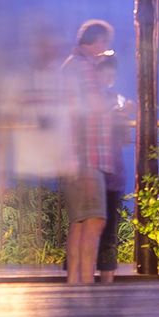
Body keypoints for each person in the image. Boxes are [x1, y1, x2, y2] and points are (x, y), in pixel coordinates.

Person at [57, 20, 125, 286]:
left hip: (76, 154)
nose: (106, 50)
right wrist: (117, 104)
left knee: (80, 221)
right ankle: (85, 283)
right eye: (105, 44)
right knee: (95, 220)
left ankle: (75, 283)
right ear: (97, 42)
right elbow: (92, 106)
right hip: (86, 155)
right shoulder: (83, 68)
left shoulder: (71, 66)